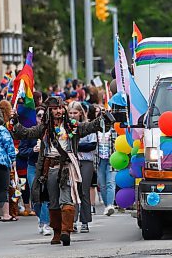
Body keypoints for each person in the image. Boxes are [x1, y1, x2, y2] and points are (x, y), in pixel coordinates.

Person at [11, 96, 110, 246]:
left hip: (67, 167)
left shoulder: (72, 125)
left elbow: (89, 127)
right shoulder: (43, 128)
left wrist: (103, 118)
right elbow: (26, 133)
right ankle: (56, 232)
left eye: (60, 108)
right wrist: (15, 122)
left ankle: (66, 231)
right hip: (49, 168)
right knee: (53, 201)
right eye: (54, 109)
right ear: (49, 112)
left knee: (66, 199)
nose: (58, 111)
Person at [68, 101, 97, 234]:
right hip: (72, 161)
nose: (73, 115)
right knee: (73, 191)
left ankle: (84, 221)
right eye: (71, 113)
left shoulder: (87, 126)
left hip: (85, 161)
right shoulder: (66, 127)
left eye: (75, 113)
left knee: (84, 190)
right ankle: (72, 221)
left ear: (81, 113)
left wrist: (75, 146)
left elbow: (91, 145)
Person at [24, 106, 51, 235]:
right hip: (33, 166)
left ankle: (46, 223)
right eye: (39, 115)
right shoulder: (31, 132)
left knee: (45, 194)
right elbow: (21, 151)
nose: (41, 118)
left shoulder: (51, 131)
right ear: (35, 118)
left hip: (47, 166)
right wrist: (32, 150)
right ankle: (41, 219)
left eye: (43, 115)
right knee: (35, 195)